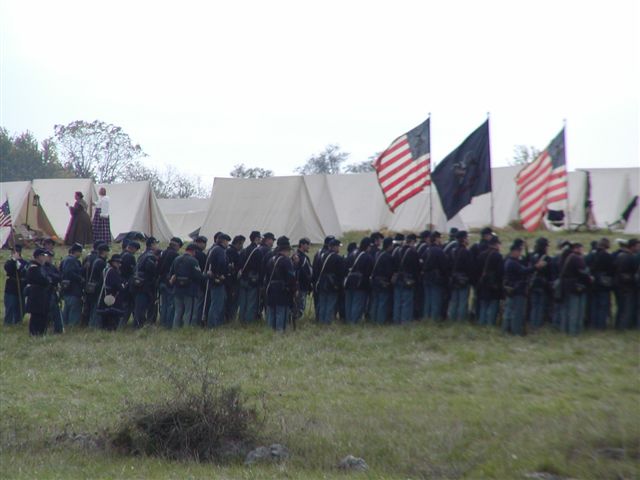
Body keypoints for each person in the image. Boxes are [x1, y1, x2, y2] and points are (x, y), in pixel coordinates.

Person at [503, 240, 545, 335]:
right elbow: (524, 271)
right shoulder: (513, 263)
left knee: (509, 311)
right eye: (519, 251)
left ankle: (507, 329)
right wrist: (536, 267)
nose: (520, 253)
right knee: (517, 312)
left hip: (511, 289)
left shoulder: (510, 261)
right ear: (514, 251)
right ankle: (516, 331)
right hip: (518, 290)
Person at [264, 236, 296, 331]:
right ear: (286, 250)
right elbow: (291, 277)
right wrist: (294, 289)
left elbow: (267, 276)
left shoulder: (271, 260)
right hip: (282, 290)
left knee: (272, 311)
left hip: (271, 289)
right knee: (281, 311)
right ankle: (279, 331)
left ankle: (270, 332)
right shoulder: (286, 261)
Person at [560, 242, 592, 335]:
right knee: (575, 310)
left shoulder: (566, 257)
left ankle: (565, 329)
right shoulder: (576, 258)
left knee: (567, 309)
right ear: (576, 249)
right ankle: (574, 331)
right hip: (576, 286)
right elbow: (584, 272)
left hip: (566, 285)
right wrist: (590, 278)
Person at [171, 243, 205, 328]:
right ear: (193, 251)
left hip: (177, 289)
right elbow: (198, 276)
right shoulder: (193, 261)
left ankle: (175, 328)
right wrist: (206, 275)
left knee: (178, 311)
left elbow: (172, 273)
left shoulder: (176, 259)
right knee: (189, 311)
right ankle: (187, 329)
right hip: (190, 290)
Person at [344, 237, 373, 324]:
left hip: (349, 281)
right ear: (367, 246)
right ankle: (354, 321)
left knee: (349, 302)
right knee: (357, 303)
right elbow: (369, 272)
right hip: (360, 283)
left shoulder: (351, 255)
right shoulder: (367, 257)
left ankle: (348, 320)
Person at [132, 237, 160, 328]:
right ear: (152, 245)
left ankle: (138, 324)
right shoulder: (151, 256)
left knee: (139, 307)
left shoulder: (142, 255)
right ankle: (145, 324)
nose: (157, 246)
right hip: (147, 285)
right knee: (149, 306)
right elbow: (152, 270)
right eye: (156, 244)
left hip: (139, 283)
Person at [475, 236, 503, 327]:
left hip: (482, 283)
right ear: (496, 244)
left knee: (483, 305)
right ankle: (490, 325)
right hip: (494, 285)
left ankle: (481, 323)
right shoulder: (498, 256)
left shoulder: (481, 255)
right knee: (493, 306)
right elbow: (500, 272)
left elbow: (477, 270)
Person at [392, 233, 419, 324]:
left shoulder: (396, 251)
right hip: (408, 279)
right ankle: (405, 321)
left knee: (397, 301)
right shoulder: (413, 252)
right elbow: (416, 268)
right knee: (407, 302)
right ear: (412, 241)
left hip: (397, 278)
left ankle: (396, 320)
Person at [205, 233, 230, 328]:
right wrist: (220, 275)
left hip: (212, 279)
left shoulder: (213, 249)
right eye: (227, 241)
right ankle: (213, 324)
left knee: (215, 302)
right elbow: (221, 262)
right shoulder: (220, 250)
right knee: (217, 304)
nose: (228, 244)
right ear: (223, 241)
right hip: (217, 281)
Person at [588, 238, 614, 329]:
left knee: (594, 305)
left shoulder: (592, 255)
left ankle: (593, 324)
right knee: (603, 305)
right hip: (604, 283)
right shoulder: (607, 256)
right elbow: (611, 269)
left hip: (593, 282)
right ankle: (601, 325)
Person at [315, 238, 343, 324]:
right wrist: (338, 284)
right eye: (338, 246)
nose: (339, 248)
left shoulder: (322, 256)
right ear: (334, 247)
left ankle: (321, 321)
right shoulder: (338, 258)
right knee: (330, 304)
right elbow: (340, 273)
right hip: (332, 283)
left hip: (322, 282)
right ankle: (327, 322)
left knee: (323, 303)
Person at [422, 231, 448, 322]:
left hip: (426, 277)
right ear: (437, 239)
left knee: (427, 300)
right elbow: (444, 266)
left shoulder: (427, 250)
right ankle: (434, 319)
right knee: (436, 300)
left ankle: (426, 317)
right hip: (436, 278)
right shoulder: (439, 251)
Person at [528, 238, 553, 329]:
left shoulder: (532, 256)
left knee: (534, 306)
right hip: (542, 284)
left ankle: (532, 324)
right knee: (540, 306)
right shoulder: (547, 258)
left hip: (533, 283)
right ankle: (537, 325)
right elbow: (549, 272)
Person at [25, 249, 52, 336]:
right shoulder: (33, 268)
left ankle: (41, 333)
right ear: (38, 257)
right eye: (43, 256)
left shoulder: (41, 267)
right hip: (36, 295)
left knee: (43, 316)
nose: (44, 258)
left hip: (42, 295)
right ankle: (35, 333)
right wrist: (47, 280)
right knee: (36, 316)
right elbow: (42, 280)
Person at [614, 238, 639, 329]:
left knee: (621, 307)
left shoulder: (621, 255)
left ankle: (618, 325)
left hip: (619, 285)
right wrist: (633, 279)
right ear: (632, 247)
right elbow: (626, 273)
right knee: (626, 307)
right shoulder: (629, 257)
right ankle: (623, 326)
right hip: (626, 286)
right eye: (638, 246)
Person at [447, 230, 472, 321]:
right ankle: (461, 320)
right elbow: (469, 267)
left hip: (454, 278)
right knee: (463, 301)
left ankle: (452, 318)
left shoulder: (453, 251)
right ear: (464, 239)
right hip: (463, 279)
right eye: (467, 237)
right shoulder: (466, 252)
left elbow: (449, 265)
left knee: (454, 301)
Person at [157, 237, 183, 328]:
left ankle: (162, 323)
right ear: (177, 245)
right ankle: (168, 324)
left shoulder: (163, 253)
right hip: (169, 282)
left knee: (163, 304)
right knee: (171, 305)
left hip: (161, 281)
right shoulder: (175, 255)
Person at [369, 237, 394, 324]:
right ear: (389, 245)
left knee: (375, 301)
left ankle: (373, 319)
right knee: (382, 302)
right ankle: (380, 321)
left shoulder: (377, 253)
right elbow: (389, 271)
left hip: (375, 280)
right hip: (384, 282)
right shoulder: (388, 257)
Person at [98, 254, 126, 331]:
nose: (119, 265)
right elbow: (117, 286)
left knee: (104, 319)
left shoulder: (105, 270)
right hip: (113, 298)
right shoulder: (113, 272)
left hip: (104, 297)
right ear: (113, 262)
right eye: (118, 262)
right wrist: (123, 286)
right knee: (112, 320)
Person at [43, 238, 64, 334]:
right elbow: (47, 277)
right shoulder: (42, 267)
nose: (50, 258)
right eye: (48, 256)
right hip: (45, 292)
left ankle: (57, 329)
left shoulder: (52, 267)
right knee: (47, 311)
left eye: (51, 256)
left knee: (55, 311)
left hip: (53, 291)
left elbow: (59, 276)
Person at [60, 243, 84, 327]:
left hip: (67, 290)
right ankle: (72, 326)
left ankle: (65, 325)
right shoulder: (72, 260)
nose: (80, 254)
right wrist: (80, 278)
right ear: (76, 252)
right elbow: (70, 273)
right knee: (74, 309)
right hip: (74, 289)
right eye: (80, 252)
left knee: (67, 309)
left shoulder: (65, 260)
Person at [4, 245, 28, 325]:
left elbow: (25, 272)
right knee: (10, 306)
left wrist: (19, 266)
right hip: (11, 287)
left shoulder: (24, 262)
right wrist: (13, 260)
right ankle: (8, 322)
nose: (12, 253)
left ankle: (18, 321)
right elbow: (7, 268)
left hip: (21, 287)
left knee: (21, 307)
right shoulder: (9, 262)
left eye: (14, 251)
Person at [86, 243, 110, 328]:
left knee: (93, 307)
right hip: (98, 289)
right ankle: (94, 325)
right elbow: (103, 277)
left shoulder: (96, 260)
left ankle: (92, 325)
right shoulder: (101, 262)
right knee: (97, 307)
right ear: (104, 252)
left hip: (93, 287)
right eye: (107, 251)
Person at [118, 240, 140, 328]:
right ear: (133, 248)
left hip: (120, 282)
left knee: (123, 304)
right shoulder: (130, 257)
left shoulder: (121, 254)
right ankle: (122, 324)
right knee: (128, 305)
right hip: (128, 284)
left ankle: (120, 324)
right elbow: (133, 271)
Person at [225, 235, 245, 322]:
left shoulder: (228, 251)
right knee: (233, 301)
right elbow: (235, 266)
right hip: (233, 281)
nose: (242, 246)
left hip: (229, 281)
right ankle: (230, 319)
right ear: (238, 243)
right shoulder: (233, 252)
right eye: (241, 244)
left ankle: (229, 319)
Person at [292, 237, 312, 322]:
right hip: (299, 286)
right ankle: (294, 322)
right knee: (299, 306)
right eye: (307, 244)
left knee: (300, 305)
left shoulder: (303, 256)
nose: (309, 247)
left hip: (304, 285)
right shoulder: (297, 256)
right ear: (302, 245)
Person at [192, 236, 208, 325]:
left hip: (190, 283)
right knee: (198, 304)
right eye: (204, 243)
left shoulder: (191, 253)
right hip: (199, 283)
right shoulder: (201, 255)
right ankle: (196, 322)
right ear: (200, 243)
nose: (205, 245)